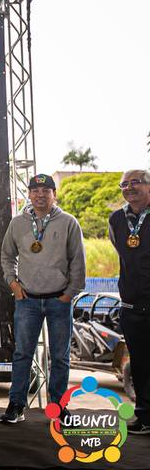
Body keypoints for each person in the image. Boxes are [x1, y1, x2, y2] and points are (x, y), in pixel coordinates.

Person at [0, 173, 85, 424]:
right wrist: (13, 284)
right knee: (22, 354)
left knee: (60, 357)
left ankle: (58, 407)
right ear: (29, 194)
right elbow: (7, 256)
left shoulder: (68, 222)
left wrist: (70, 293)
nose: (40, 195)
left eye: (45, 191)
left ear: (54, 195)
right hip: (27, 300)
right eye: (35, 190)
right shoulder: (18, 223)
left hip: (59, 300)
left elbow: (78, 261)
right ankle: (16, 405)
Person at [109, 169, 150, 434]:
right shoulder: (116, 219)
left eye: (136, 182)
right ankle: (145, 417)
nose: (130, 187)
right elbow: (122, 253)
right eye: (124, 184)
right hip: (132, 306)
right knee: (141, 366)